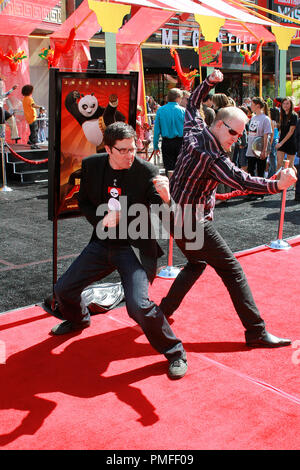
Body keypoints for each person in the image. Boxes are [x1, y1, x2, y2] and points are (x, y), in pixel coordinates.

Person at [155, 69, 297, 349]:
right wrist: (277, 185)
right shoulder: (213, 157)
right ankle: (255, 331)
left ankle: (163, 311)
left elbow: (192, 103)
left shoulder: (194, 132)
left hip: (174, 218)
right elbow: (243, 180)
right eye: (233, 132)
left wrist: (208, 83)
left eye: (240, 135)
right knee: (232, 270)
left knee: (196, 264)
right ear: (218, 125)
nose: (236, 139)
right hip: (192, 222)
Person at [50, 121, 188, 380]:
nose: (130, 155)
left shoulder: (146, 171)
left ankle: (175, 351)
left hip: (134, 248)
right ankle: (79, 320)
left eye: (133, 149)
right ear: (108, 149)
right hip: (103, 242)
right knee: (63, 289)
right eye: (123, 150)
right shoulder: (92, 166)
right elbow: (84, 201)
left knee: (137, 306)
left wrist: (168, 197)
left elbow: (162, 208)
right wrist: (101, 220)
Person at [153, 87, 185, 174]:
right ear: (178, 98)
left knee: (168, 168)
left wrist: (155, 146)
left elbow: (156, 130)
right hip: (180, 142)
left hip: (166, 142)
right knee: (180, 168)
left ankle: (170, 185)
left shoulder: (160, 110)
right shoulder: (183, 111)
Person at [246, 97, 272, 180]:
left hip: (259, 149)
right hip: (251, 148)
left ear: (257, 106)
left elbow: (266, 135)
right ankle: (252, 190)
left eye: (252, 105)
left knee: (260, 171)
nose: (251, 106)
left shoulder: (265, 119)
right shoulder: (253, 118)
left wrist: (264, 150)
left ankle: (260, 191)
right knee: (250, 170)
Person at [276, 97, 298, 171]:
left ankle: (294, 181)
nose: (285, 105)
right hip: (281, 141)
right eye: (284, 103)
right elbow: (280, 129)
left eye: (287, 103)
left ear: (291, 105)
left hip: (291, 142)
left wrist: (281, 143)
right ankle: (277, 182)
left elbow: (291, 131)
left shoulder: (294, 115)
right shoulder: (281, 115)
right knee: (279, 164)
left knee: (290, 166)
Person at [21, 84, 44, 150]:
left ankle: (30, 141)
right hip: (32, 117)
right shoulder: (29, 99)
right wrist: (40, 107)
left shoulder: (24, 99)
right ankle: (34, 144)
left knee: (33, 130)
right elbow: (33, 105)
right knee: (34, 131)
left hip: (28, 118)